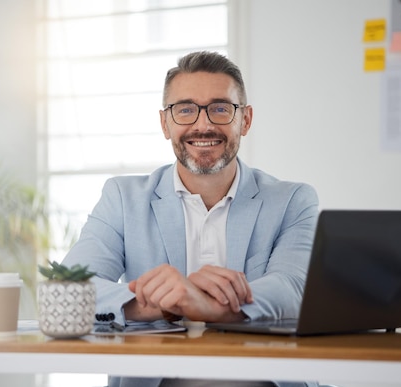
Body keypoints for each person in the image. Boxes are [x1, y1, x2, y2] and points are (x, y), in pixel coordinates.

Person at [61, 51, 320, 387]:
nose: (203, 124)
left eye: (220, 108)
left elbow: (295, 291)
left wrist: (211, 309)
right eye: (185, 109)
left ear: (246, 119)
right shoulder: (123, 199)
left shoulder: (292, 200)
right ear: (165, 123)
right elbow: (68, 289)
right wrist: (163, 305)